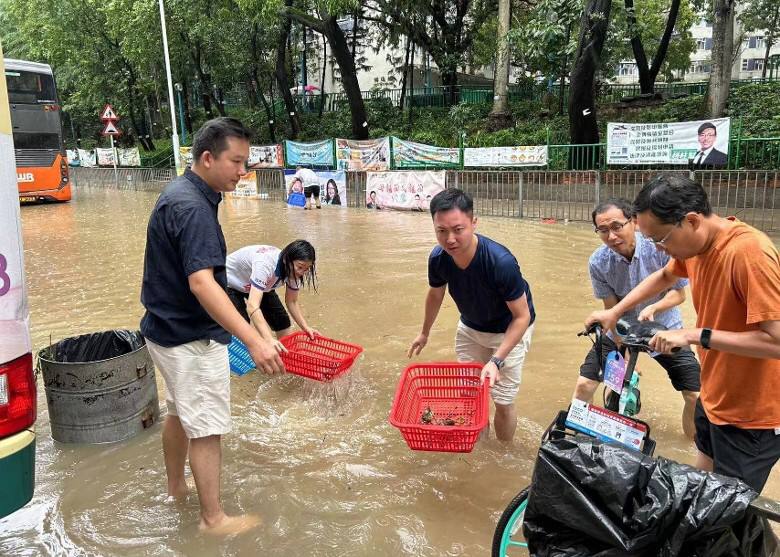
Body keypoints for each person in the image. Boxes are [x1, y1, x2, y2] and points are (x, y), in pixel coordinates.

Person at [586, 174, 780, 493]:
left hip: (753, 416)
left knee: (732, 519)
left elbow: (777, 341)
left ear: (690, 221)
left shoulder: (748, 253)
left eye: (661, 239)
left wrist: (693, 336)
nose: (660, 248)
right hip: (717, 395)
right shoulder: (695, 249)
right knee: (699, 498)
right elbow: (664, 276)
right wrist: (614, 311)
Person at [140, 117, 283, 535]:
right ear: (207, 158)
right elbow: (203, 283)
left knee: (180, 413)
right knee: (207, 427)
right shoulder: (193, 208)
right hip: (190, 337)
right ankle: (213, 519)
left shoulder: (182, 193)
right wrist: (254, 340)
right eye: (236, 162)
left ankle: (176, 487)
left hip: (162, 330)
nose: (244, 171)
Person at [407, 188, 536, 442]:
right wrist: (424, 332)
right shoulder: (438, 259)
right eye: (441, 231)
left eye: (458, 229)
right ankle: (480, 451)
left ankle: (502, 453)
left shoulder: (500, 262)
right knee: (470, 395)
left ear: (473, 222)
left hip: (508, 330)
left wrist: (496, 360)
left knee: (503, 400)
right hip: (470, 329)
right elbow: (435, 294)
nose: (450, 239)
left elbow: (522, 317)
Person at [574, 198, 700, 439]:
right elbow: (612, 311)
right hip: (621, 329)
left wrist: (654, 307)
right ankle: (575, 440)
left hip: (664, 328)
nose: (611, 236)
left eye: (616, 226)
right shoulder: (598, 262)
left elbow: (679, 294)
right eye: (603, 230)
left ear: (633, 222)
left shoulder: (660, 248)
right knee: (584, 385)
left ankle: (692, 447)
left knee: (694, 395)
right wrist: (626, 355)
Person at [225, 241, 319, 348]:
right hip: (230, 282)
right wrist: (268, 339)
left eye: (306, 269)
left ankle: (285, 358)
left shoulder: (295, 272)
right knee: (241, 326)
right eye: (300, 267)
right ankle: (245, 361)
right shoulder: (265, 265)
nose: (302, 272)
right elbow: (252, 306)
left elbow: (292, 302)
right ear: (285, 260)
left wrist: (305, 327)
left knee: (282, 321)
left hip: (259, 284)